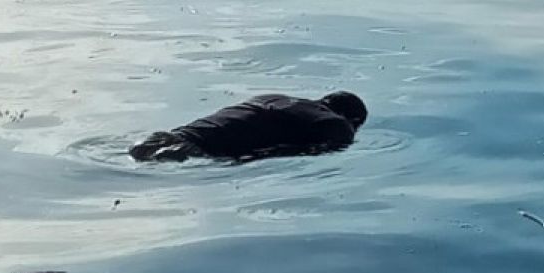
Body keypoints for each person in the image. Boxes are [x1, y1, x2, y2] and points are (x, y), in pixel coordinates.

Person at [128, 92, 368, 162]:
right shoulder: (336, 126)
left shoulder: (271, 97)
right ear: (354, 121)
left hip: (172, 136)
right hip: (199, 152)